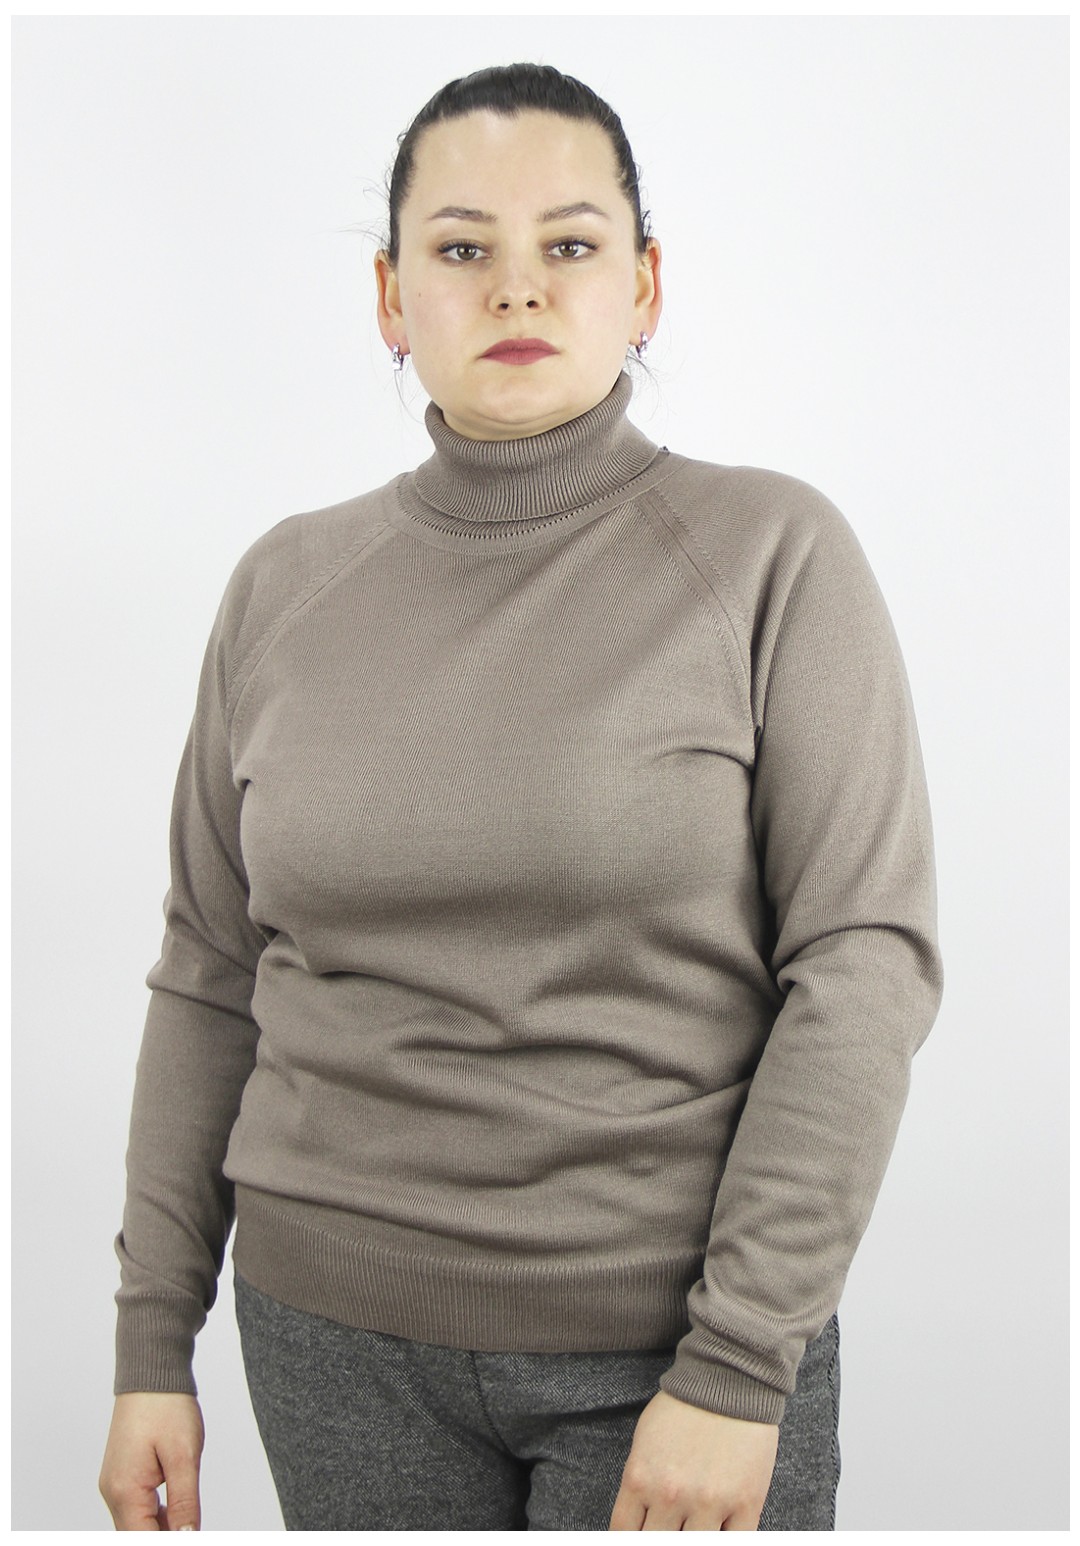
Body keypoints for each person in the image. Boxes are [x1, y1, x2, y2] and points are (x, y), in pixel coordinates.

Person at [98, 62, 943, 1532]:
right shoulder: (284, 586)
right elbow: (211, 973)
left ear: (645, 285)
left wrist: (741, 1363)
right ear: (390, 298)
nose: (515, 288)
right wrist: (149, 1339)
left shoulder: (771, 556)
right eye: (460, 247)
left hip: (671, 1346)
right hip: (329, 1333)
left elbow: (864, 967)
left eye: (569, 243)